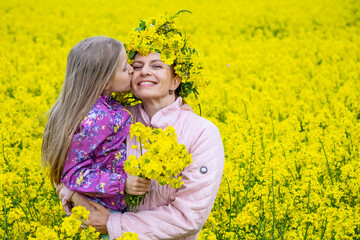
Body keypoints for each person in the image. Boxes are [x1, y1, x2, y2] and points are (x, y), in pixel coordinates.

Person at [57, 13, 224, 240]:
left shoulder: (202, 133)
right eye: (136, 66)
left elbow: (188, 218)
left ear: (175, 81)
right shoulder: (113, 120)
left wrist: (113, 224)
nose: (144, 71)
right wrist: (73, 195)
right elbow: (72, 164)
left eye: (157, 65)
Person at [42, 36, 151, 216]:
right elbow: (73, 174)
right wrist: (122, 183)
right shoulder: (95, 118)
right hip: (99, 212)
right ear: (105, 82)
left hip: (111, 207)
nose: (132, 70)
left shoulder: (104, 106)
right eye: (125, 68)